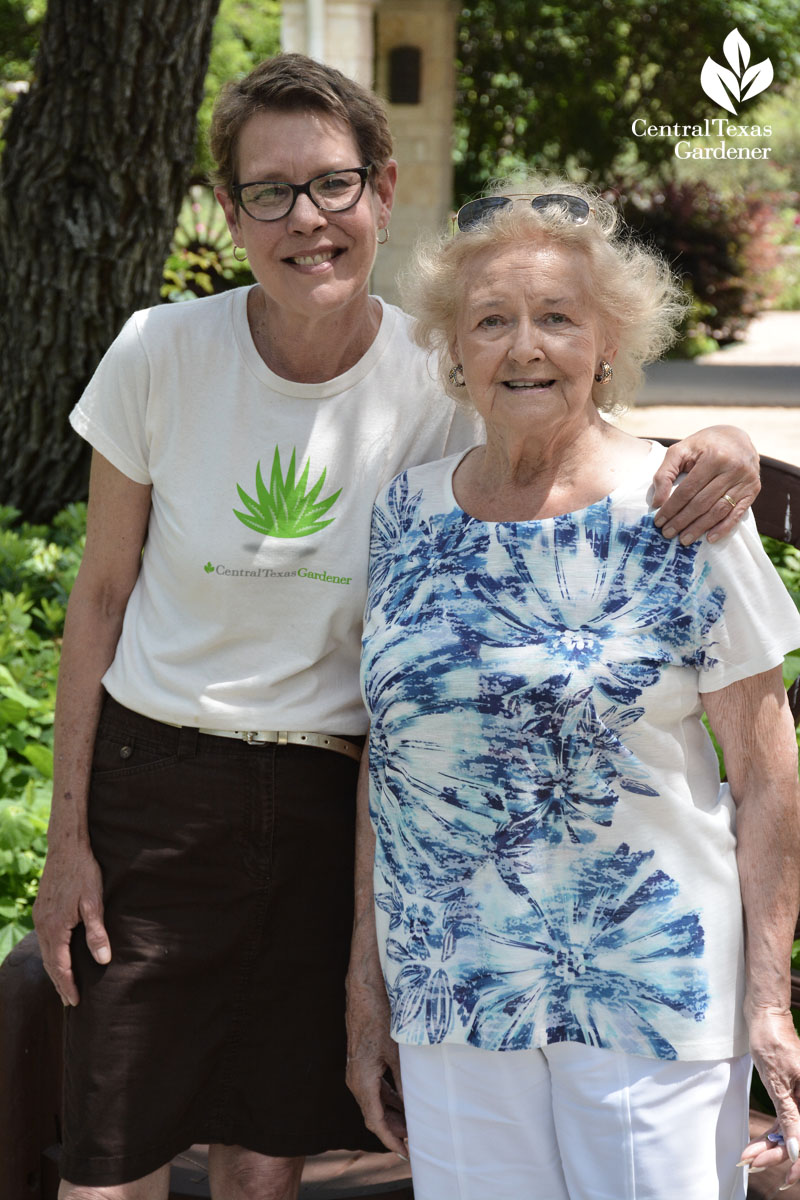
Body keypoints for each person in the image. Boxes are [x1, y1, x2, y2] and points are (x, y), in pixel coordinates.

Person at [32, 51, 760, 1200]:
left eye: (329, 184)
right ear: (230, 211)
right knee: (111, 1144)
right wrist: (64, 840)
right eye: (268, 191)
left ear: (377, 191)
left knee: (266, 1146)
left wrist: (717, 449)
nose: (304, 219)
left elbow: (562, 395)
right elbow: (100, 598)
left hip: (331, 796)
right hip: (157, 785)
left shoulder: (435, 377)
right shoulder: (158, 352)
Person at [350, 178, 800, 1200]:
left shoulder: (681, 505)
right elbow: (389, 762)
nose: (523, 347)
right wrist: (363, 987)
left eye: (556, 319)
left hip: (646, 988)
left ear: (607, 344)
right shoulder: (407, 513)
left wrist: (768, 1004)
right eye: (491, 322)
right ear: (451, 352)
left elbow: (767, 774)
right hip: (451, 991)